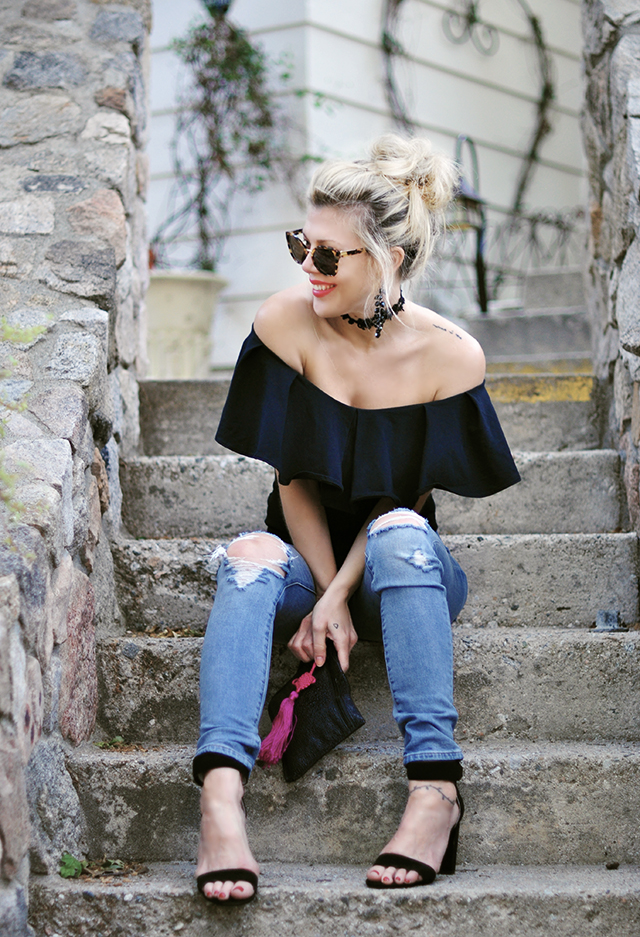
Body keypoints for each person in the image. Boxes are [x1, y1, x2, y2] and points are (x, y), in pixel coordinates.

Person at [192, 134, 520, 903]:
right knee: (249, 552)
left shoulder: (449, 356)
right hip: (303, 559)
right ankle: (220, 799)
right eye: (300, 244)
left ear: (387, 260)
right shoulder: (286, 323)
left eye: (327, 254)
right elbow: (294, 480)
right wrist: (321, 589)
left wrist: (341, 593)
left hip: (396, 571)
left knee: (401, 533)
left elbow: (404, 502)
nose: (307, 266)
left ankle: (435, 790)